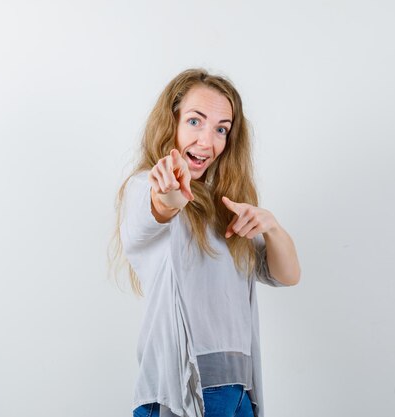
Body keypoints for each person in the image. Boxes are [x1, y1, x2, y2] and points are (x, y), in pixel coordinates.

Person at [110, 68, 301, 417]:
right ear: (172, 122)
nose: (206, 141)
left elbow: (286, 275)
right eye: (195, 121)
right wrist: (168, 196)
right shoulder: (144, 187)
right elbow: (155, 211)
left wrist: (272, 227)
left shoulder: (223, 205)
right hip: (184, 392)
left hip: (240, 392)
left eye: (221, 129)